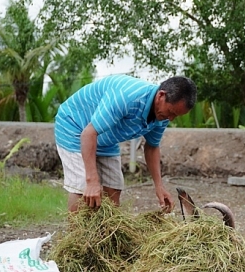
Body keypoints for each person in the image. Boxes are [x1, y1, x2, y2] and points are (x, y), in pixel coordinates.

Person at [55, 74, 197, 213]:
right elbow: (88, 134)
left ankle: (107, 234)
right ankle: (78, 235)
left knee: (114, 187)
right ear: (161, 95)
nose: (170, 119)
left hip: (105, 136)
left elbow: (152, 147)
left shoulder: (162, 116)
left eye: (175, 116)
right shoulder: (127, 97)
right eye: (171, 112)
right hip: (75, 126)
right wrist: (91, 181)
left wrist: (159, 186)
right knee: (83, 189)